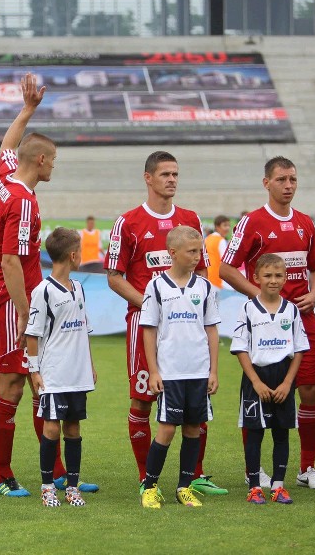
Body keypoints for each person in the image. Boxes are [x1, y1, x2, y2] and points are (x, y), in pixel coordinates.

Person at [0, 73, 93, 497]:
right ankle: (3, 476)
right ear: (41, 162)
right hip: (17, 303)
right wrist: (28, 312)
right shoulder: (24, 201)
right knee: (14, 386)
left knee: (41, 385)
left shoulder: (6, 180)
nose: (54, 167)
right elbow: (12, 260)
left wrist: (28, 109)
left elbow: (8, 147)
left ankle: (62, 474)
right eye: (53, 161)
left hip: (21, 302)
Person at [106, 151, 226, 496]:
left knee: (196, 399)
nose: (172, 179)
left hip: (188, 327)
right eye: (165, 174)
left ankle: (195, 476)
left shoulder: (189, 218)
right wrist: (153, 305)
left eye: (175, 174)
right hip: (145, 325)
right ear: (148, 178)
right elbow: (115, 277)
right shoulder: (127, 222)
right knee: (144, 399)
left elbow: (201, 271)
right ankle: (148, 478)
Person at [219, 157, 315, 490]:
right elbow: (226, 268)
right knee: (259, 393)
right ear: (267, 183)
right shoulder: (252, 222)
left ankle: (307, 468)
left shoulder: (306, 224)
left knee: (309, 390)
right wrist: (263, 300)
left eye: (293, 179)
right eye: (281, 179)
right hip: (263, 325)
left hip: (302, 318)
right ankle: (256, 471)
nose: (288, 185)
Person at [138, 227, 220, 509]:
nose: (198, 256)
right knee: (166, 430)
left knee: (193, 429)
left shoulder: (206, 287)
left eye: (199, 251)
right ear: (173, 253)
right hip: (170, 371)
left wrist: (213, 371)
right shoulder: (157, 287)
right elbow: (148, 330)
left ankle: (184, 487)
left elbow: (211, 330)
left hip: (198, 371)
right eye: (192, 251)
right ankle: (149, 487)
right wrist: (154, 371)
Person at [25, 227, 97, 508]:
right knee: (52, 429)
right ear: (73, 254)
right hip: (54, 372)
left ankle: (72, 486)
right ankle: (46, 487)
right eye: (80, 250)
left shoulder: (78, 288)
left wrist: (89, 364)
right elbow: (33, 333)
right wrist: (34, 370)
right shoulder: (43, 291)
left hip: (77, 374)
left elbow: (83, 329)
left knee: (74, 429)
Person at [231, 253, 309, 505]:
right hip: (257, 379)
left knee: (281, 433)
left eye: (278, 275)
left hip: (283, 377)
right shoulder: (248, 308)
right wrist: (255, 381)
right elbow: (241, 348)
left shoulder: (292, 311)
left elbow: (299, 349)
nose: (273, 280)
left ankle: (278, 486)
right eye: (268, 275)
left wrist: (288, 383)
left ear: (286, 278)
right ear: (256, 278)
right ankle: (254, 486)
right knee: (254, 433)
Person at [204, 215, 231, 292]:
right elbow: (226, 261)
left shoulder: (207, 239)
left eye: (228, 225)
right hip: (216, 278)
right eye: (225, 225)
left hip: (207, 277)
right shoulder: (220, 240)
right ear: (217, 226)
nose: (228, 228)